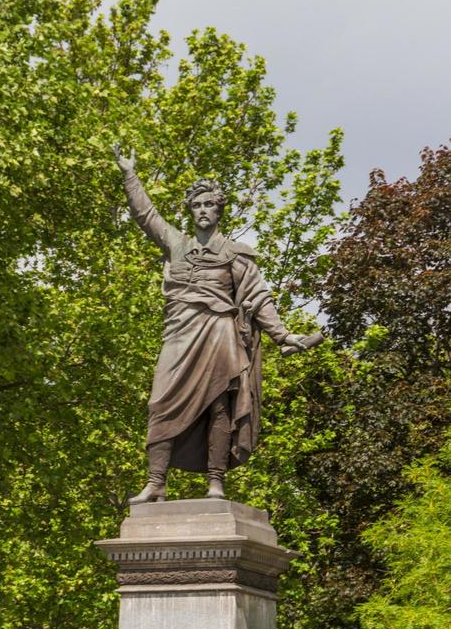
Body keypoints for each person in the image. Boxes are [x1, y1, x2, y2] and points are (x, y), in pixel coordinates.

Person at [114, 145, 320, 502]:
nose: (203, 210)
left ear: (219, 210)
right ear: (190, 212)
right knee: (159, 401)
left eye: (209, 204)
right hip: (180, 333)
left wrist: (282, 335)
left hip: (220, 333)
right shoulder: (177, 245)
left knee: (218, 407)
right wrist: (130, 174)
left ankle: (216, 482)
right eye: (197, 205)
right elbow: (146, 215)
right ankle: (156, 483)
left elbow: (257, 297)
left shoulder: (234, 254)